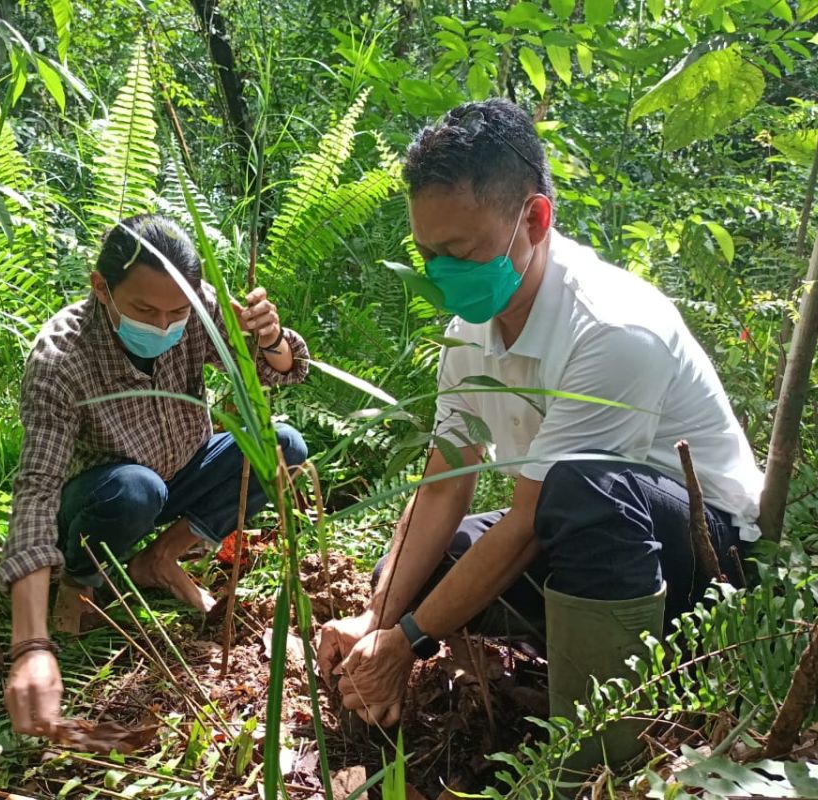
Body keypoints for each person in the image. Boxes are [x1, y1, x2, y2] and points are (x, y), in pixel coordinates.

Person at [316, 99, 764, 770]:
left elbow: (531, 519)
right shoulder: (471, 329)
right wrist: (377, 619)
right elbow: (444, 484)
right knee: (424, 565)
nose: (441, 274)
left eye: (458, 253)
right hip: (585, 534)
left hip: (707, 557)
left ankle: (600, 755)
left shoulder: (612, 328)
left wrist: (408, 640)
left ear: (534, 217)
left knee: (580, 487)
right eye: (427, 254)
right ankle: (543, 674)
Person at [0, 214, 310, 737]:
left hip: (184, 467)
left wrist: (271, 337)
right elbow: (37, 490)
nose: (164, 325)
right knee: (134, 490)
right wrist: (30, 644)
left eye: (177, 312)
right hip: (107, 495)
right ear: (102, 288)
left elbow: (274, 369)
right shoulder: (62, 358)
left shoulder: (199, 307)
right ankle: (80, 580)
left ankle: (159, 559)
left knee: (283, 448)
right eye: (144, 309)